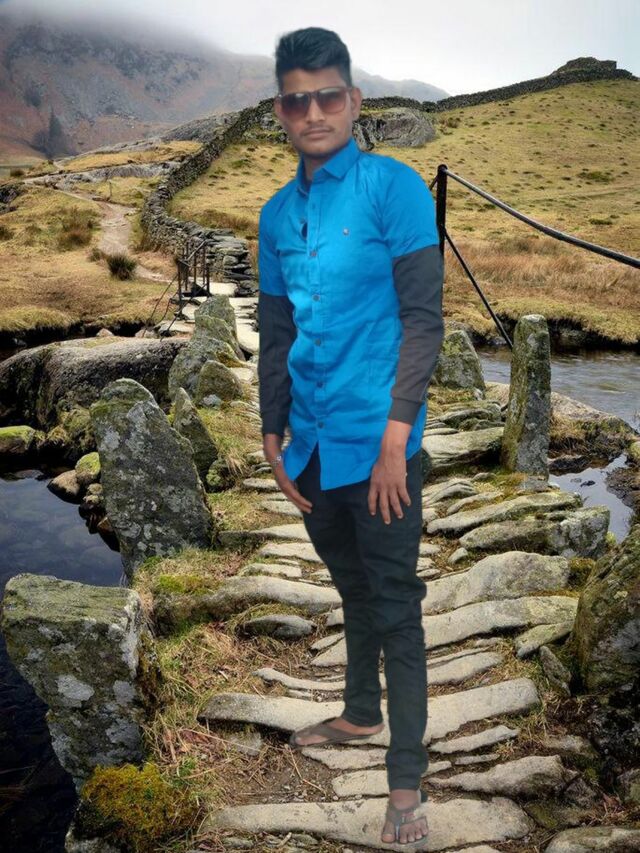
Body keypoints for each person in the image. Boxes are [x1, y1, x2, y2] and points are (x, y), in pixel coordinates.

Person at [257, 26, 444, 847]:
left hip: (380, 446)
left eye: (327, 95)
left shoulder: (393, 188)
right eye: (296, 99)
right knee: (352, 590)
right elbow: (275, 329)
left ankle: (406, 781)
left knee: (396, 605)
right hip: (310, 446)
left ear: (353, 100)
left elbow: (423, 320)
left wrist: (398, 438)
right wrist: (271, 430)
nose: (313, 112)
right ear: (281, 110)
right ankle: (361, 712)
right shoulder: (274, 215)